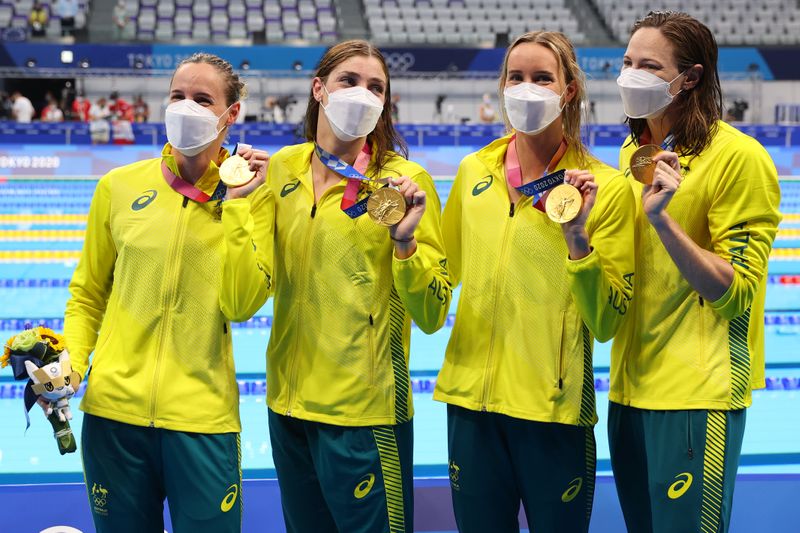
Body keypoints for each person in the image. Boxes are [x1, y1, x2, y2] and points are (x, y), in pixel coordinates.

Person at [433, 31, 636, 533]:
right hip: (469, 407)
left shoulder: (605, 189)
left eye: (542, 77)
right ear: (501, 87)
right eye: (516, 77)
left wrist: (576, 237)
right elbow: (438, 285)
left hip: (553, 414)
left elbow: (608, 320)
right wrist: (404, 246)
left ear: (568, 91)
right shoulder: (472, 172)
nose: (527, 88)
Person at [62, 52, 273, 533]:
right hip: (113, 416)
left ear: (231, 114)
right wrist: (71, 362)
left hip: (202, 420)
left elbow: (242, 305)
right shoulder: (118, 187)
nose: (186, 107)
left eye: (202, 99)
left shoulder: (256, 198)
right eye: (178, 96)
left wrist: (237, 208)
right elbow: (89, 293)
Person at [261, 39, 451, 533]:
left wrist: (405, 244)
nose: (362, 94)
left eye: (376, 87)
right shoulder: (283, 168)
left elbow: (432, 313)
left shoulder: (407, 183)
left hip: (365, 413)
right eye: (349, 81)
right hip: (287, 406)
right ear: (318, 88)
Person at [609, 11, 782, 533]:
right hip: (628, 389)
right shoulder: (632, 154)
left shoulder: (739, 159)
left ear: (691, 78)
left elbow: (737, 292)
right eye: (627, 62)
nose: (631, 76)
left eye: (649, 66)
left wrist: (663, 222)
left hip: (695, 394)